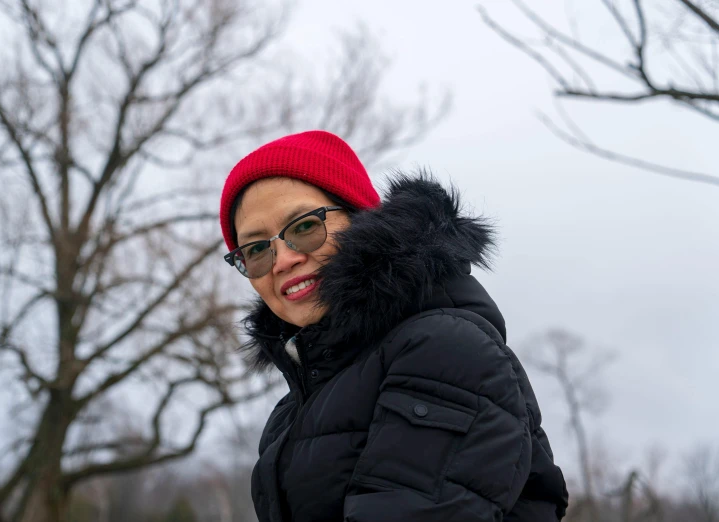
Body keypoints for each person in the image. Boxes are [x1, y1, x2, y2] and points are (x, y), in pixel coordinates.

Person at [219, 130, 569, 522]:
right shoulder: (290, 413)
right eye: (255, 250)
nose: (282, 260)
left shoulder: (442, 350)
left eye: (304, 227)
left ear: (362, 221)